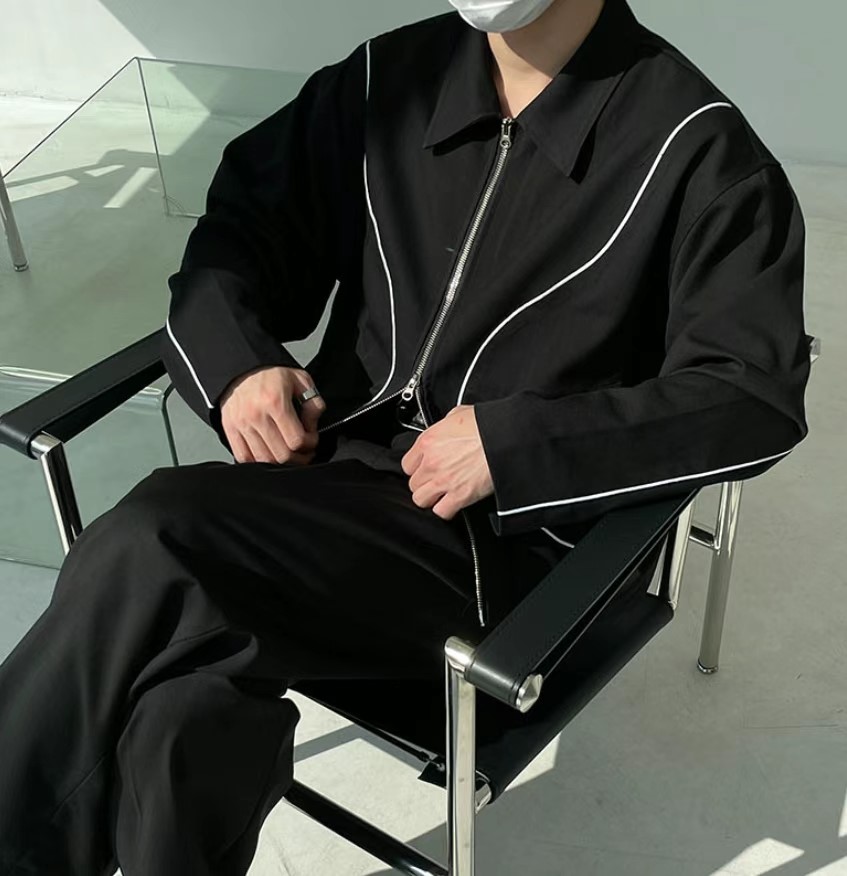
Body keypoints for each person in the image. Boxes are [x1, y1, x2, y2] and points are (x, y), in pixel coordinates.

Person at [0, 0, 811, 873]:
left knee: (157, 536)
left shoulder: (697, 149)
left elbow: (749, 396)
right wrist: (236, 362)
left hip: (507, 550)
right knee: (187, 713)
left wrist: (517, 444)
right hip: (328, 486)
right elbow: (245, 227)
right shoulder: (389, 78)